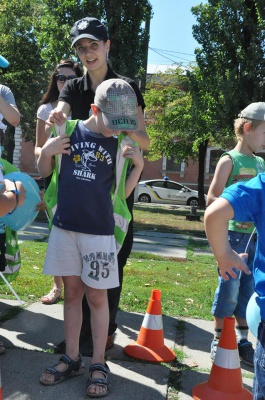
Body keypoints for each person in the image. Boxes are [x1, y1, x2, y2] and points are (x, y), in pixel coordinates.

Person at [44, 16, 150, 355]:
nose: (88, 53)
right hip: (79, 196)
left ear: (107, 45)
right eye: (81, 48)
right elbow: (59, 114)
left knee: (109, 270)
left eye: (93, 45)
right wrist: (56, 119)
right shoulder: (74, 87)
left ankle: (101, 337)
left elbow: (144, 141)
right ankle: (79, 342)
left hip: (113, 195)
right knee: (76, 277)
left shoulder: (126, 86)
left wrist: (123, 124)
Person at [38, 78, 144, 397]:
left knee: (97, 298)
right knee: (72, 292)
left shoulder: (121, 143)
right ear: (95, 109)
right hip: (66, 228)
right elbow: (45, 169)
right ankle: (72, 357)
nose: (116, 130)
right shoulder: (68, 129)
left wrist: (137, 168)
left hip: (99, 234)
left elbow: (121, 196)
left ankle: (98, 361)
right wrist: (47, 150)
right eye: (113, 123)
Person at [207, 102, 265, 367]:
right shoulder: (229, 160)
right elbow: (213, 198)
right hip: (232, 240)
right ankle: (219, 338)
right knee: (229, 290)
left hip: (255, 241)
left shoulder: (262, 163)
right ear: (248, 128)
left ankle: (242, 341)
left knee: (248, 292)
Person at [35, 59, 83, 305]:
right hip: (53, 175)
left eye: (69, 78)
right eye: (59, 78)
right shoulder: (46, 110)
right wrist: (46, 153)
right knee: (56, 230)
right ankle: (57, 287)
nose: (63, 82)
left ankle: (81, 286)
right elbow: (37, 146)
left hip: (80, 177)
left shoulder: (84, 106)